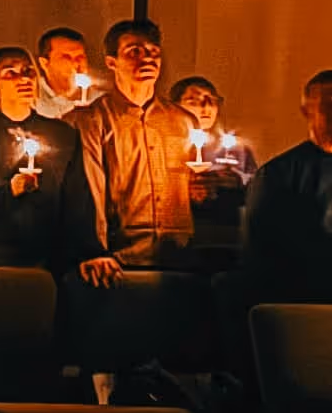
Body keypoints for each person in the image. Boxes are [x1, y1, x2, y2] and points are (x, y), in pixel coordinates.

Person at [0, 47, 103, 274]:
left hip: (46, 256)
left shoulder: (61, 134)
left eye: (28, 71)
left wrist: (90, 252)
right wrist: (7, 190)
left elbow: (77, 199)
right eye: (10, 73)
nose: (24, 78)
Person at [73, 18, 218, 264]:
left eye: (154, 53)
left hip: (177, 253)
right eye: (135, 52)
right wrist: (95, 251)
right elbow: (91, 190)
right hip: (121, 254)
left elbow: (194, 185)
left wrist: (201, 189)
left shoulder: (183, 121)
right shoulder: (94, 120)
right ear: (112, 62)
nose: (148, 59)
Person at [236, 71, 332, 312]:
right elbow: (264, 255)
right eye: (329, 104)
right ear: (308, 111)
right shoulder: (278, 175)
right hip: (305, 302)